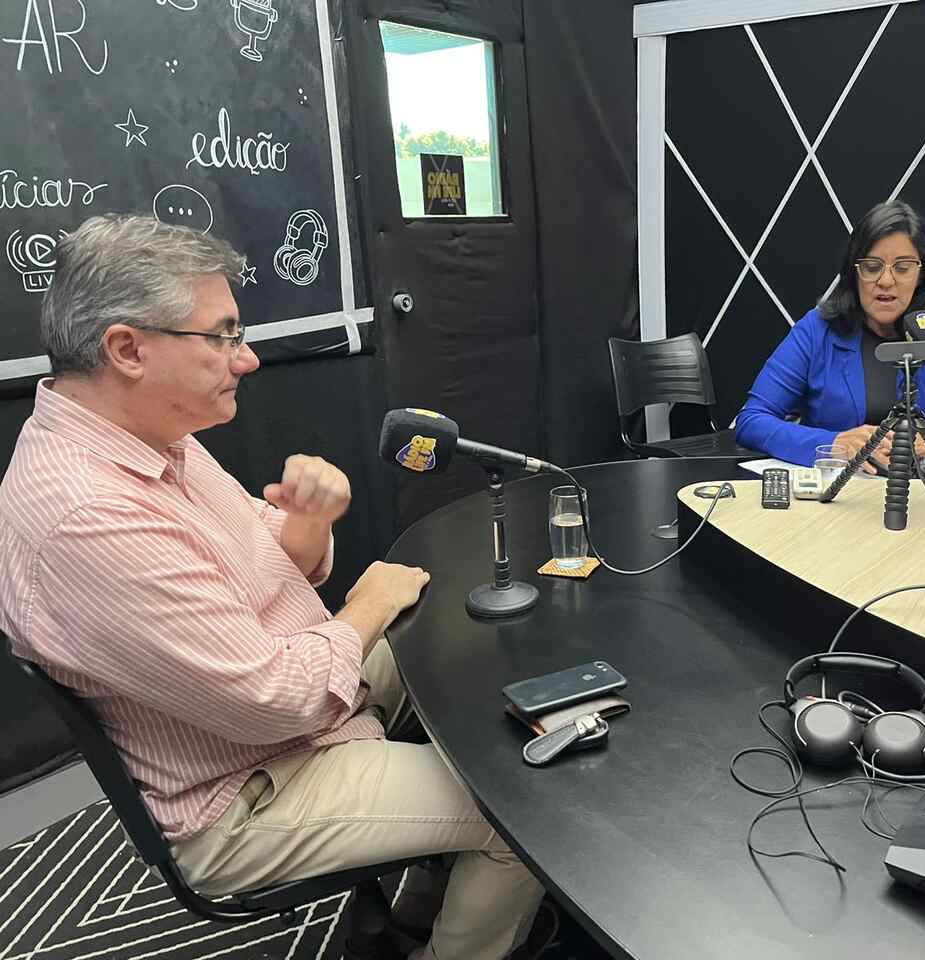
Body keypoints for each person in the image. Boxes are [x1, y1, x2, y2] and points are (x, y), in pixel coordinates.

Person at [0, 215, 545, 960]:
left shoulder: (150, 439)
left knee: (454, 627)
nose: (248, 358)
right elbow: (277, 699)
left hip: (291, 699)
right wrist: (366, 607)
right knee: (523, 808)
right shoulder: (86, 517)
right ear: (127, 350)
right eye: (222, 337)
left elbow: (274, 555)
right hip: (251, 784)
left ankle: (423, 909)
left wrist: (309, 522)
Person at [735, 201, 925, 472]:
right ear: (854, 272)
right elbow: (752, 420)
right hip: (841, 492)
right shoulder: (817, 329)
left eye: (902, 268)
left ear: (921, 274)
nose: (885, 281)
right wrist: (833, 443)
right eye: (872, 267)